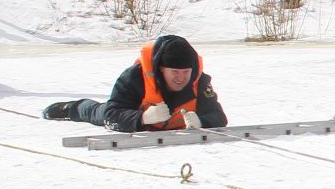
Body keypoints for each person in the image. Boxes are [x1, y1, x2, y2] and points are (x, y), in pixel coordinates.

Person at [40, 34, 227, 132]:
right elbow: (112, 116)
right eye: (175, 72)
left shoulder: (200, 81)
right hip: (132, 112)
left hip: (170, 123)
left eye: (186, 72)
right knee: (97, 112)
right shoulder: (134, 77)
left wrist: (203, 121)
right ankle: (72, 107)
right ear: (161, 69)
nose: (181, 78)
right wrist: (143, 118)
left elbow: (218, 116)